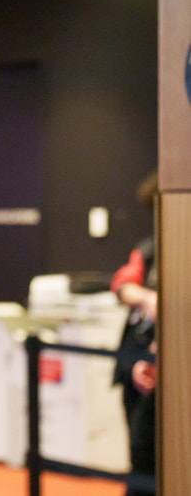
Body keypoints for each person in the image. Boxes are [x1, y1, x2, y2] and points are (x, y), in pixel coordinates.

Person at [111, 171, 159, 496]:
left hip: (163, 371)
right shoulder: (149, 249)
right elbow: (122, 283)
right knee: (140, 454)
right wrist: (146, 296)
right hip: (135, 364)